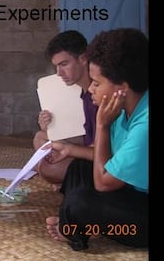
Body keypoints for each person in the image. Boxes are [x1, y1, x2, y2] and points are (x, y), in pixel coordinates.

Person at [45, 28, 148, 251]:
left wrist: (102, 125)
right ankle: (74, 224)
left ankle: (75, 226)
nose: (90, 88)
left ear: (122, 89)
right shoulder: (125, 107)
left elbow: (103, 183)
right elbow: (106, 156)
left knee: (81, 203)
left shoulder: (145, 123)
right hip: (133, 191)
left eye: (97, 83)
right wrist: (70, 150)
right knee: (78, 168)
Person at [33, 30, 98, 186]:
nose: (59, 73)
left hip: (102, 158)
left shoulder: (98, 92)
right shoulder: (82, 90)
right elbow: (86, 135)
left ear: (83, 59)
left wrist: (68, 149)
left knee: (47, 168)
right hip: (89, 146)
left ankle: (70, 182)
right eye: (56, 66)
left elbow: (105, 151)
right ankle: (66, 180)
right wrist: (50, 126)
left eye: (64, 64)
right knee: (41, 137)